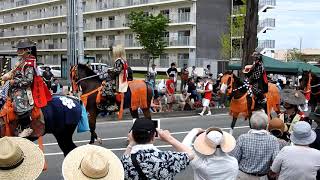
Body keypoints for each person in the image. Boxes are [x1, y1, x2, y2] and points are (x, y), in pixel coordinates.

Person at [1, 39, 52, 137]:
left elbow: (28, 81)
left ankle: (26, 127)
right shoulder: (21, 61)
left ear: (26, 50)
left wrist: (13, 81)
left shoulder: (29, 63)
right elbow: (13, 72)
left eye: (20, 49)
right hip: (14, 88)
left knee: (18, 104)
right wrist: (5, 76)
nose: (17, 51)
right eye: (18, 49)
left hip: (23, 89)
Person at [121, 118, 194, 179]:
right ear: (154, 135)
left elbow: (124, 159)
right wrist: (169, 138)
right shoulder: (167, 158)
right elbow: (191, 154)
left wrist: (131, 144)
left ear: (132, 135)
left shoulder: (126, 161)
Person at [231, 110, 280, 180]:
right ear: (266, 125)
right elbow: (276, 162)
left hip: (243, 175)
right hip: (262, 177)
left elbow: (235, 159)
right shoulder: (273, 140)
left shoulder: (243, 138)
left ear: (251, 125)